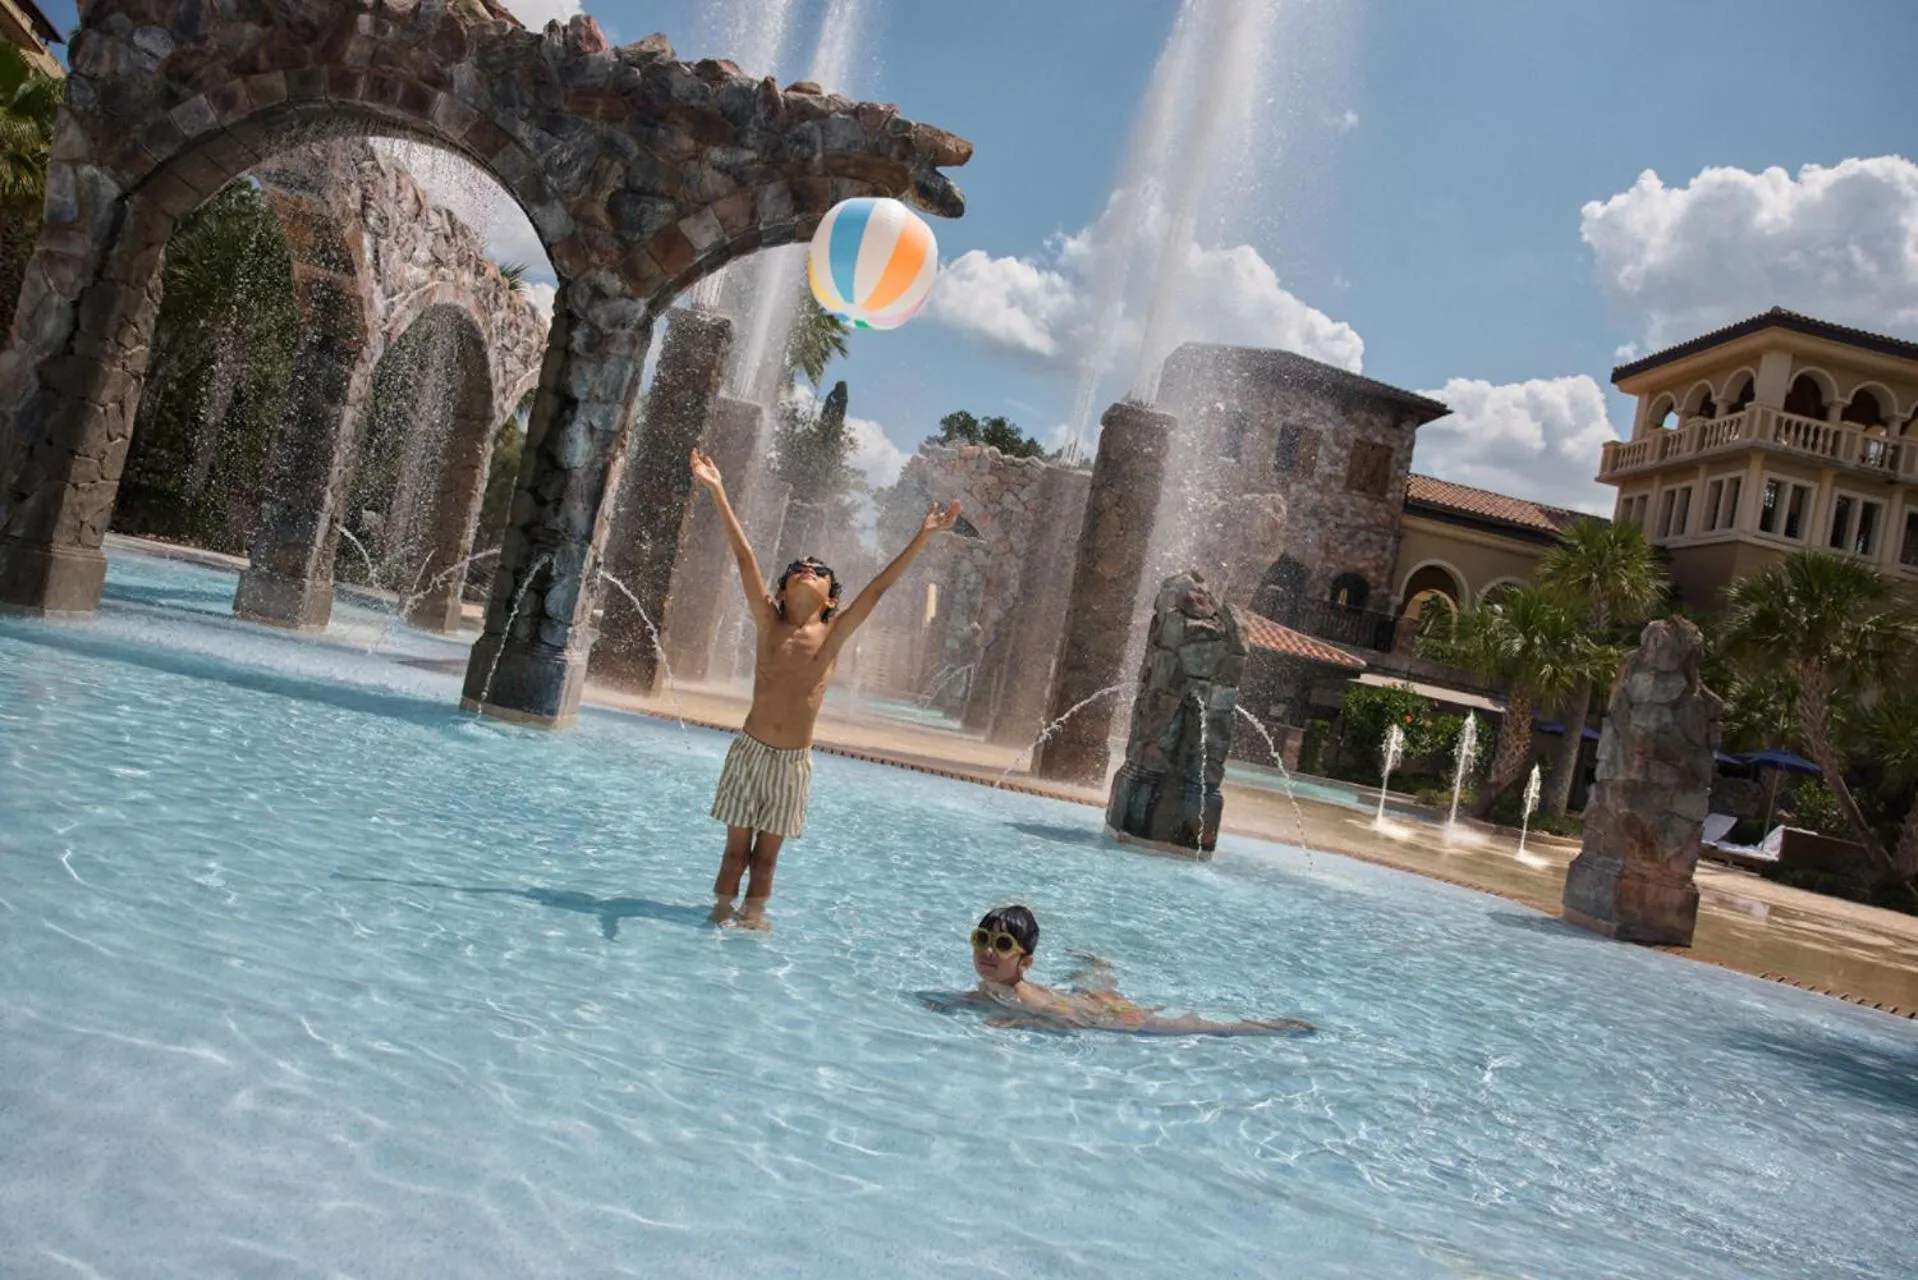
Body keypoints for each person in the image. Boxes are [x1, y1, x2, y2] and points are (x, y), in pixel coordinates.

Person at [689, 447, 961, 929]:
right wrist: (718, 490)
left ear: (831, 599)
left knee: (766, 860)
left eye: (818, 571)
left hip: (792, 763)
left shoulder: (833, 634)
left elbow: (878, 588)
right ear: (781, 590)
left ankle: (754, 918)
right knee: (734, 854)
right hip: (749, 752)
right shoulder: (769, 623)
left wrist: (923, 536)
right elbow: (744, 556)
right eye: (798, 567)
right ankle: (718, 914)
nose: (807, 569)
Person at [929, 905, 1314, 1036]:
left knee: (1193, 1026)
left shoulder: (1024, 996)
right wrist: (952, 1003)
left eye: (1001, 945)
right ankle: (1099, 967)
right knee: (1093, 986)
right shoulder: (994, 987)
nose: (987, 951)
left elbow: (1069, 1023)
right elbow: (979, 997)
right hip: (1090, 1001)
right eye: (981, 938)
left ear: (1026, 962)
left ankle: (1268, 1027)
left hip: (1113, 1017)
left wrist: (1020, 1023)